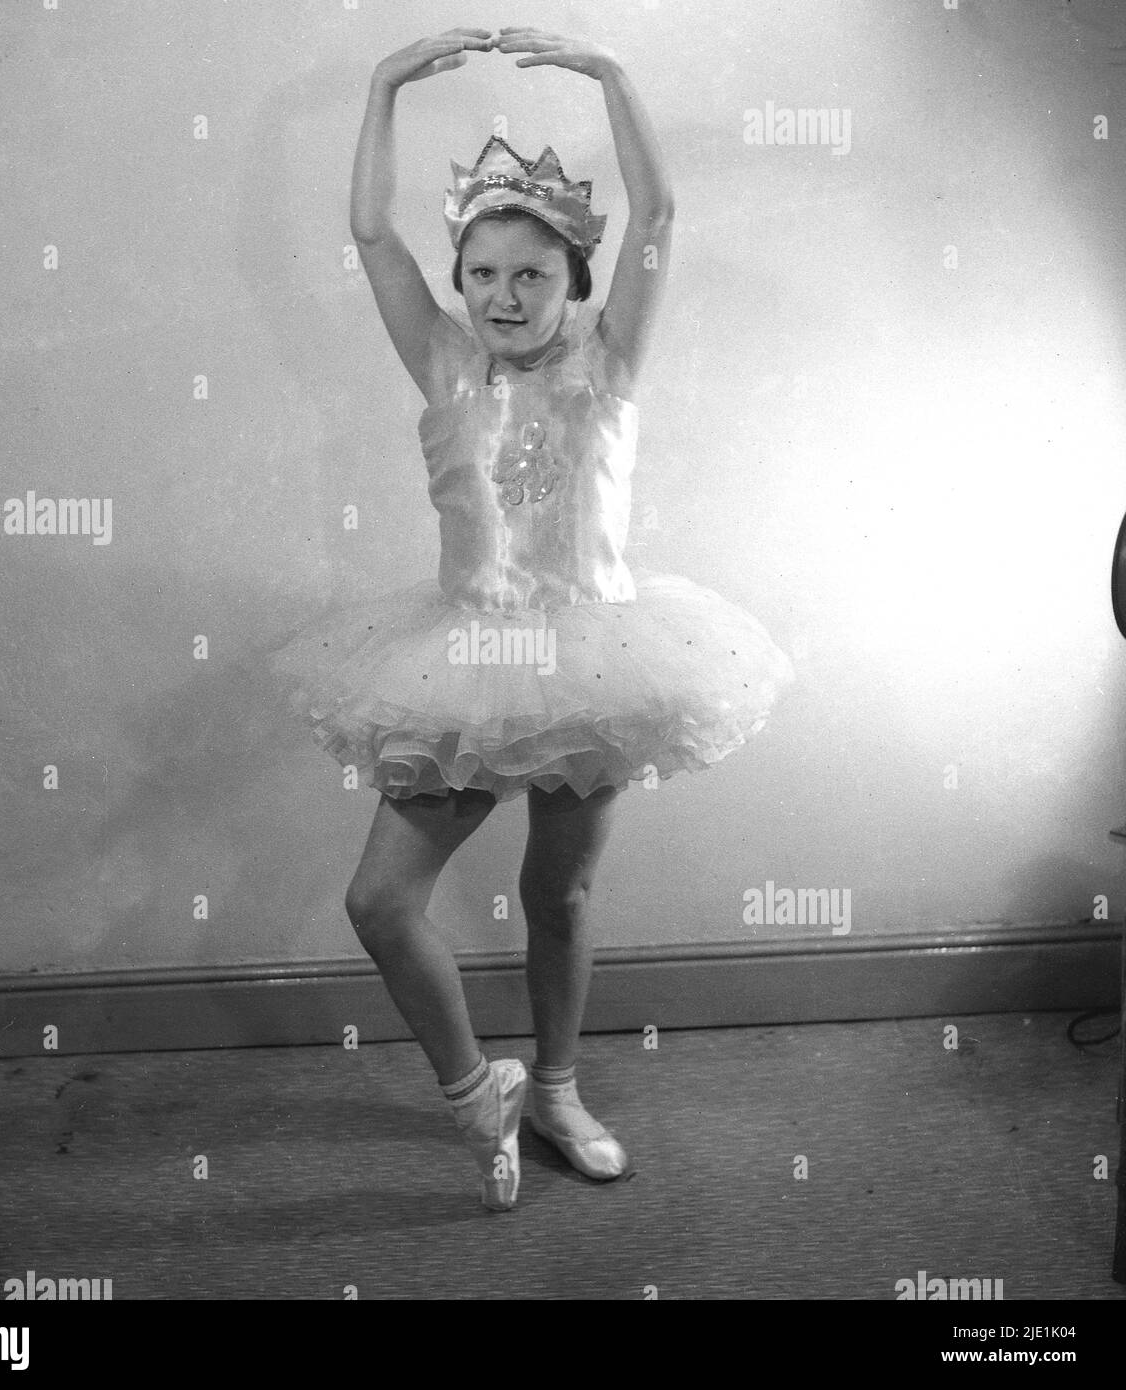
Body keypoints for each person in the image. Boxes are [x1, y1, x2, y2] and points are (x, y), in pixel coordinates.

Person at [277, 26, 796, 1211]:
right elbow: (369, 234)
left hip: (597, 660)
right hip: (462, 657)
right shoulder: (446, 366)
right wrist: (380, 86)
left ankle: (557, 1088)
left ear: (574, 279)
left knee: (558, 891)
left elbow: (659, 220)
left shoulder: (610, 367)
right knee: (379, 901)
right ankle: (479, 1091)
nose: (504, 296)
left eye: (533, 274)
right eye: (483, 274)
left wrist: (614, 78)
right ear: (458, 283)